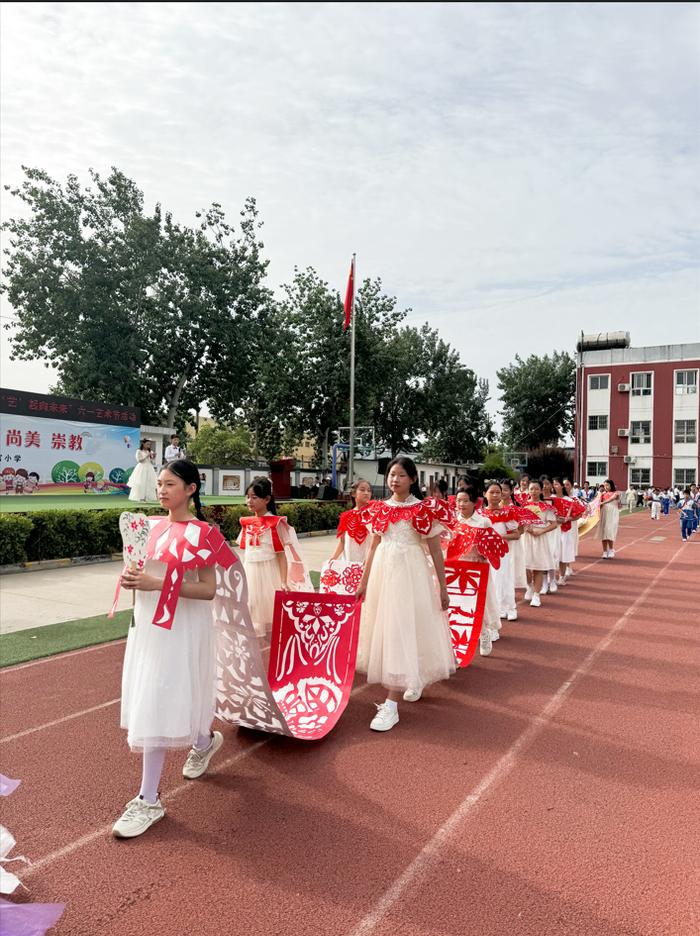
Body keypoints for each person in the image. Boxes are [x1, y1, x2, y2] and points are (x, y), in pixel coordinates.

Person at [113, 460, 224, 839]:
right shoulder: (149, 527)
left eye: (170, 484)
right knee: (160, 695)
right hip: (148, 627)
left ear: (192, 488)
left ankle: (148, 799)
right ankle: (206, 741)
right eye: (159, 484)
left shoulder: (205, 533)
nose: (162, 490)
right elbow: (144, 572)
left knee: (162, 698)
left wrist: (156, 585)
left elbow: (208, 589)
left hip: (182, 626)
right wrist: (132, 580)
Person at [355, 456, 455, 731]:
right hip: (382, 577)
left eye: (400, 475)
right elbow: (373, 548)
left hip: (410, 577)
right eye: (391, 474)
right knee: (388, 631)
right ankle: (411, 678)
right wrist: (363, 582)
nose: (394, 479)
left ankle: (391, 705)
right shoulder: (379, 509)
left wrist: (443, 588)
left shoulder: (424, 510)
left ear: (412, 479)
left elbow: (435, 550)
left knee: (404, 630)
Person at [237, 479, 310, 636]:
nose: (249, 501)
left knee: (271, 616)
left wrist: (283, 581)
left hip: (269, 574)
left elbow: (281, 556)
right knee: (252, 613)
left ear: (267, 499)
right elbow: (246, 553)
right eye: (247, 497)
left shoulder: (276, 524)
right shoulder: (247, 524)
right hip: (250, 573)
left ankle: (273, 653)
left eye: (254, 497)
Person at [451, 484, 504, 654]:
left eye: (465, 501)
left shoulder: (483, 521)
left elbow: (492, 547)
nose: (461, 504)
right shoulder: (453, 521)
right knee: (459, 607)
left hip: (477, 568)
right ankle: (458, 645)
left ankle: (484, 634)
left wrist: (481, 549)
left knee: (478, 606)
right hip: (457, 569)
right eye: (459, 501)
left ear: (475, 503)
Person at [480, 481, 521, 622]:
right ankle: (495, 609)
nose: (496, 495)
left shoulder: (507, 512)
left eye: (498, 492)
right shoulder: (479, 514)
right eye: (492, 492)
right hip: (484, 553)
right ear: (484, 494)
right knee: (489, 581)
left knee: (504, 578)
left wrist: (498, 537)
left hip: (501, 552)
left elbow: (516, 534)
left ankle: (509, 607)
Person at [522, 480, 558, 607]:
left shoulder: (546, 507)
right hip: (526, 539)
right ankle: (530, 587)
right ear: (528, 491)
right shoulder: (523, 506)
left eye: (536, 489)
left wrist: (541, 531)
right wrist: (525, 528)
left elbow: (554, 524)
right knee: (525, 567)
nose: (534, 491)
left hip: (540, 539)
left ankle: (536, 595)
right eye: (531, 489)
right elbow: (520, 523)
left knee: (537, 568)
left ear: (541, 490)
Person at [328, 478, 374, 564]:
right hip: (349, 562)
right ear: (353, 493)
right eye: (362, 490)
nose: (366, 493)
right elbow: (342, 542)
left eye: (369, 490)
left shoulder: (375, 515)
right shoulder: (346, 516)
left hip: (369, 563)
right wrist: (333, 558)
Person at [599, 479, 621, 558]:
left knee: (610, 531)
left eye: (607, 485)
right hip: (604, 513)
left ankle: (611, 549)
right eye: (604, 485)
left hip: (612, 514)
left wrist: (603, 502)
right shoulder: (602, 494)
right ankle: (605, 551)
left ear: (611, 485)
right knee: (603, 533)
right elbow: (598, 504)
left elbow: (612, 499)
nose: (606, 487)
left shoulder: (616, 493)